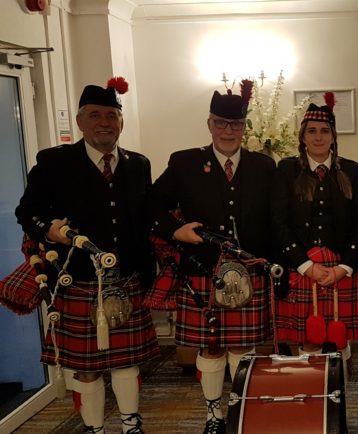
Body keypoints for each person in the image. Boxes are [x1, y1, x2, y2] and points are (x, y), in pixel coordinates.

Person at [15, 78, 159, 434]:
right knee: (87, 366)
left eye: (112, 115)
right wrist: (46, 228)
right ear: (80, 122)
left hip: (126, 278)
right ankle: (94, 428)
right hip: (76, 280)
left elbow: (146, 220)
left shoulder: (138, 164)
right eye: (95, 115)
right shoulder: (54, 162)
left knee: (126, 363)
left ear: (121, 121)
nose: (105, 123)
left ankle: (130, 424)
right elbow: (26, 211)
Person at [147, 85, 276, 434]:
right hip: (202, 269)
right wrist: (176, 231)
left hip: (249, 270)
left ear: (245, 126)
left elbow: (277, 217)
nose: (229, 131)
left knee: (243, 346)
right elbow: (152, 205)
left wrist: (273, 260)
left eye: (236, 124)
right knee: (211, 347)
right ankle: (213, 415)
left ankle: (240, 412)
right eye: (221, 123)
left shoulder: (264, 166)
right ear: (209, 124)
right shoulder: (184, 162)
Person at [271, 93, 358, 373]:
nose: (318, 137)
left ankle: (339, 406)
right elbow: (278, 222)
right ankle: (313, 404)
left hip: (341, 268)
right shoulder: (287, 169)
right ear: (302, 136)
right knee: (310, 342)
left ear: (333, 136)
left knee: (339, 342)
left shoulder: (350, 169)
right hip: (302, 268)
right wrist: (305, 265)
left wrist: (345, 266)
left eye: (325, 131)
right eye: (311, 131)